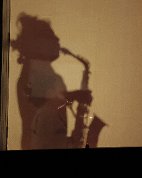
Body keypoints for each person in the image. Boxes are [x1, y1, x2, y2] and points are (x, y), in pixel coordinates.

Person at [9, 13, 92, 149]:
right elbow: (38, 104)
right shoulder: (29, 72)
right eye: (51, 36)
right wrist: (73, 96)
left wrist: (72, 141)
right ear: (36, 43)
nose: (57, 39)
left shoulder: (55, 78)